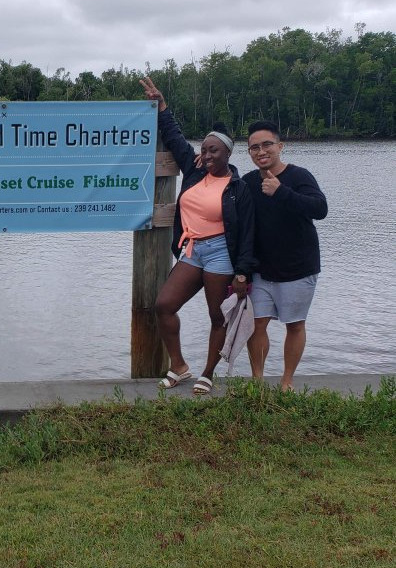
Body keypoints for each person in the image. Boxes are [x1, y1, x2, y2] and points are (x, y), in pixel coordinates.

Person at [140, 77, 256, 395]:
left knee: (217, 316)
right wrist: (162, 106)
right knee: (164, 305)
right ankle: (179, 366)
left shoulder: (237, 188)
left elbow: (246, 234)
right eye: (204, 149)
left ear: (227, 154)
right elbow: (176, 138)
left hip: (221, 252)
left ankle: (207, 373)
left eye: (213, 150)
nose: (206, 154)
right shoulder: (194, 172)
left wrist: (243, 272)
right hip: (192, 249)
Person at [243, 121, 328, 391]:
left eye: (267, 144)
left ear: (280, 146)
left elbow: (320, 209)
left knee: (294, 325)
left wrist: (281, 192)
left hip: (298, 268)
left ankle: (287, 382)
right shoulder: (247, 182)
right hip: (261, 271)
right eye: (254, 147)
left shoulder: (299, 176)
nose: (261, 151)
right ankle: (257, 381)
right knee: (255, 326)